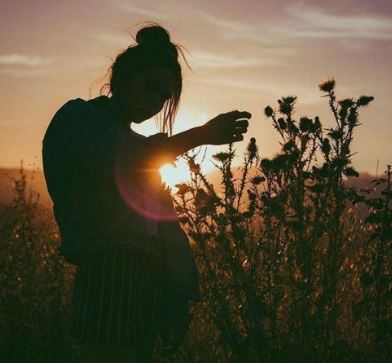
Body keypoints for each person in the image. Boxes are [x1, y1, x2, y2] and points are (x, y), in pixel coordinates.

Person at [42, 23, 251, 363]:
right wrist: (200, 134)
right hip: (105, 276)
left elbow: (165, 229)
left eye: (163, 96)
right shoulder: (79, 119)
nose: (156, 102)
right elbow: (123, 160)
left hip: (147, 283)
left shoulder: (140, 149)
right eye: (150, 86)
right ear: (119, 80)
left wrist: (175, 296)